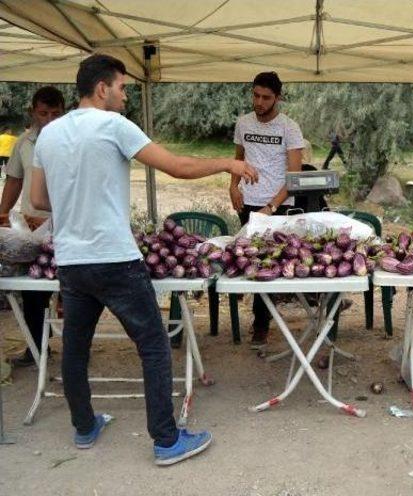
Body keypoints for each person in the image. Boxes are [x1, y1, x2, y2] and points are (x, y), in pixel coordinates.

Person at [30, 54, 257, 465]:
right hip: (115, 258)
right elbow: (179, 166)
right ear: (102, 88)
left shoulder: (47, 135)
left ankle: (84, 427)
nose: (125, 95)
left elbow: (38, 200)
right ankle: (167, 441)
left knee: (76, 348)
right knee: (153, 345)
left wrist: (75, 200)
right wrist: (229, 162)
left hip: (71, 261)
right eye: (121, 87)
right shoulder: (113, 125)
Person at [229, 71, 304, 348]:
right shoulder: (243, 122)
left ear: (278, 98)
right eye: (256, 95)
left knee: (272, 262)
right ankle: (259, 321)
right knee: (251, 261)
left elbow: (295, 176)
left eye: (266, 98)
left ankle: (265, 322)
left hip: (279, 206)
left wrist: (271, 206)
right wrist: (233, 186)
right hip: (248, 202)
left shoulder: (289, 128)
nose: (259, 102)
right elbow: (238, 158)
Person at [0, 86, 65, 367]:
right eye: (43, 113)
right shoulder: (24, 144)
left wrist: (54, 216)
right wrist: (2, 213)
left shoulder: (72, 142)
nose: (49, 119)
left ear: (65, 112)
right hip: (29, 228)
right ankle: (36, 349)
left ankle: (76, 351)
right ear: (32, 113)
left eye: (55, 114)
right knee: (32, 289)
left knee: (70, 288)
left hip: (65, 225)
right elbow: (14, 181)